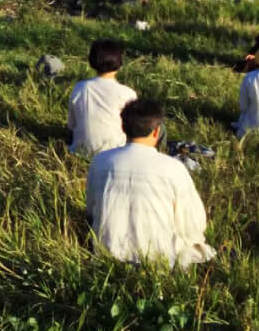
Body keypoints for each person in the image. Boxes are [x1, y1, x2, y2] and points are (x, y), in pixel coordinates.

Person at [85, 99, 215, 269]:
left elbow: (91, 211)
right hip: (160, 260)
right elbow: (194, 223)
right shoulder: (173, 168)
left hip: (106, 256)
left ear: (123, 128)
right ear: (156, 132)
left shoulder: (100, 161)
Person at [68, 40, 138, 158]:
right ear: (120, 63)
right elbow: (136, 129)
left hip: (79, 151)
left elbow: (71, 125)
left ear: (91, 62)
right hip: (116, 152)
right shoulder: (127, 93)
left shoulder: (80, 87)